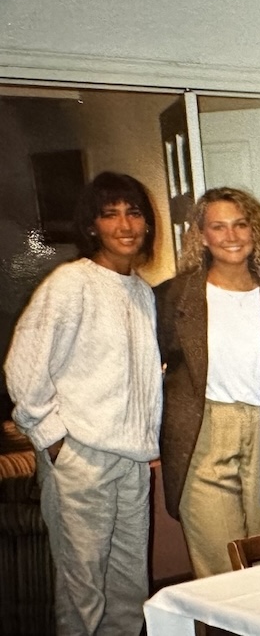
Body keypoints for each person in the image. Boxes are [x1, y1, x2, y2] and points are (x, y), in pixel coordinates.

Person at [5, 172, 162, 634]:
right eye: (110, 214)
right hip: (81, 460)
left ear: (147, 223)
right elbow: (23, 368)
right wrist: (53, 441)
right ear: (92, 226)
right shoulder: (70, 283)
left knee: (130, 590)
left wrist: (144, 442)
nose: (125, 224)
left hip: (131, 464)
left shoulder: (142, 293)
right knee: (83, 592)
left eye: (133, 212)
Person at [157, 187, 260, 578]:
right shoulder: (173, 297)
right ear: (202, 235)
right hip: (202, 436)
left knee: (259, 560)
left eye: (240, 225)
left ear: (256, 232)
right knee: (222, 568)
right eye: (218, 227)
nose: (231, 236)